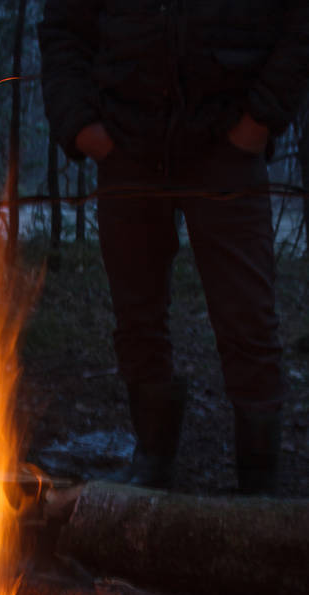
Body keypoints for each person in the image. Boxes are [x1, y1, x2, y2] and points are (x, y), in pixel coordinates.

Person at [38, 0, 309, 494]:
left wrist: (261, 118)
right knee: (137, 316)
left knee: (248, 316)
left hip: (227, 138)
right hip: (126, 140)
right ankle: (152, 462)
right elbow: (63, 28)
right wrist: (81, 127)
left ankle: (258, 487)